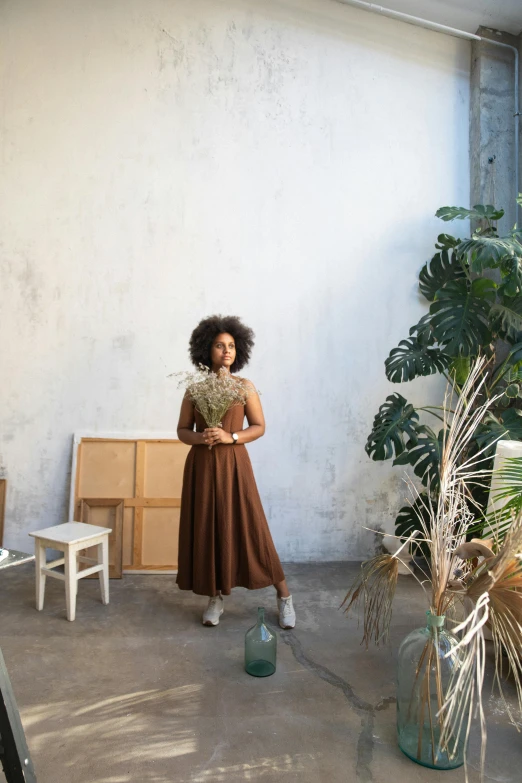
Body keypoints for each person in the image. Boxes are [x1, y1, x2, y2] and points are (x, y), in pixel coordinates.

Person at [176, 314, 296, 630]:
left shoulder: (244, 387)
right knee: (208, 528)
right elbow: (181, 430)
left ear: (238, 350)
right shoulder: (195, 389)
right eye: (219, 345)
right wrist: (202, 437)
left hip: (234, 464)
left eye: (231, 346)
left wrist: (230, 436)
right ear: (206, 350)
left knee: (252, 528)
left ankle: (284, 596)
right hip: (202, 466)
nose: (226, 351)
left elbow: (259, 427)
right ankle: (215, 597)